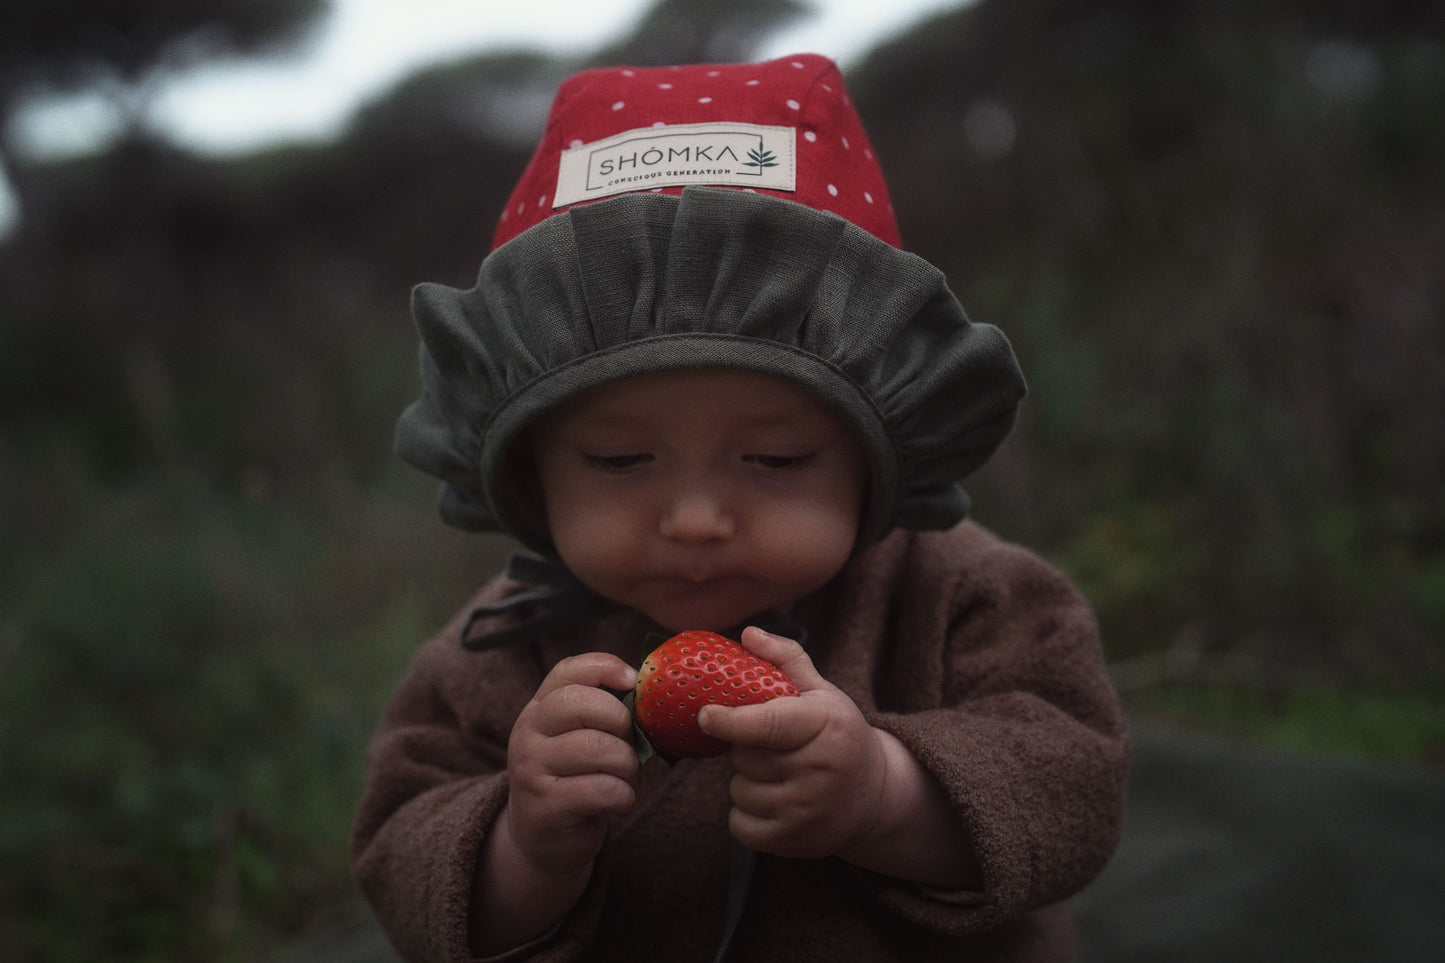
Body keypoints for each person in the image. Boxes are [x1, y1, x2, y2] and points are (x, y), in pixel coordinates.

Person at [352, 53, 1128, 963]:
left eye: (774, 457)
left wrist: (885, 796)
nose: (694, 519)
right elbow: (401, 854)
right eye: (616, 458)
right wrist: (522, 846)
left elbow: (1073, 785)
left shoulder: (967, 594)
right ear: (528, 472)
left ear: (874, 449)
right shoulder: (495, 651)